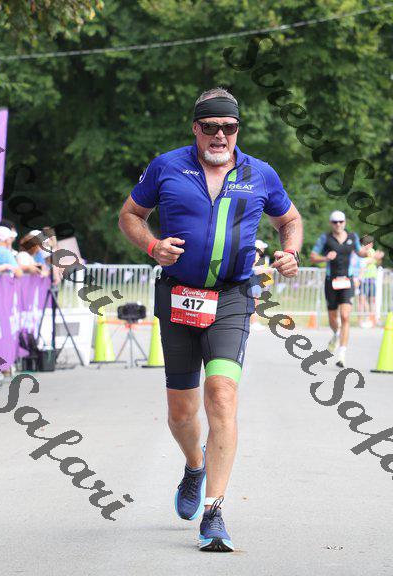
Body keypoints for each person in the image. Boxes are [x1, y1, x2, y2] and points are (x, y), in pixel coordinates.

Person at [119, 87, 302, 552]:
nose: (220, 135)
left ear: (238, 129)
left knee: (221, 395)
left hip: (232, 298)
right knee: (182, 413)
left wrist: (291, 252)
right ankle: (194, 466)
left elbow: (290, 220)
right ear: (195, 128)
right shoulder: (166, 166)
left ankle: (214, 511)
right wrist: (152, 246)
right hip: (179, 297)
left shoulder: (260, 173)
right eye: (210, 126)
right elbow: (130, 215)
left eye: (229, 127)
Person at [310, 210, 371, 368]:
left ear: (345, 222)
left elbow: (360, 252)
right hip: (331, 282)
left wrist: (367, 253)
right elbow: (312, 256)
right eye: (335, 222)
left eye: (341, 221)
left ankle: (342, 354)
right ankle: (336, 334)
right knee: (332, 318)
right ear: (331, 223)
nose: (338, 224)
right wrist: (325, 258)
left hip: (347, 281)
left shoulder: (353, 237)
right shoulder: (325, 238)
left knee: (345, 316)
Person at [357, 234, 384, 327]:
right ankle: (360, 321)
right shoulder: (361, 251)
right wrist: (376, 257)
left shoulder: (372, 251)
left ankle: (372, 320)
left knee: (372, 300)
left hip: (372, 278)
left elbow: (376, 262)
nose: (371, 244)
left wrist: (379, 258)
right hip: (363, 279)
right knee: (361, 300)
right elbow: (365, 262)